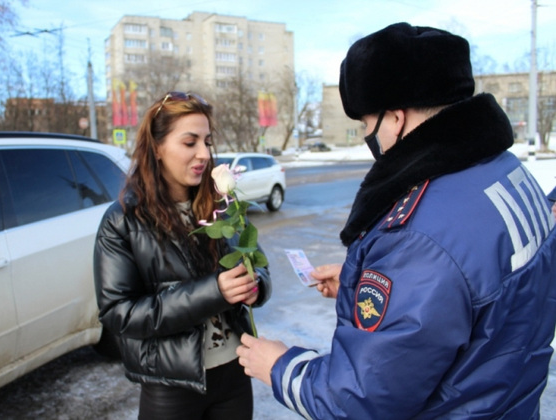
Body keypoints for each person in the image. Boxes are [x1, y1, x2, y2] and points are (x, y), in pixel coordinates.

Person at [237, 22, 556, 419]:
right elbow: (474, 290)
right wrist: (361, 283)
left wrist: (279, 366)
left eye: (366, 125)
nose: (367, 136)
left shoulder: (418, 235)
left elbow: (360, 399)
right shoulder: (506, 172)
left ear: (395, 119)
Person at [94, 91, 272, 420]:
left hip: (234, 371)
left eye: (207, 141)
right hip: (171, 384)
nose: (204, 153)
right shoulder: (124, 220)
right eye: (190, 142)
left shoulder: (223, 205)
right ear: (157, 148)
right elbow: (119, 313)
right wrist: (214, 292)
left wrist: (255, 286)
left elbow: (259, 265)